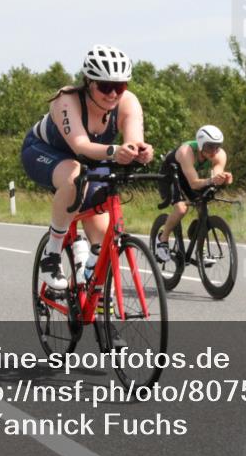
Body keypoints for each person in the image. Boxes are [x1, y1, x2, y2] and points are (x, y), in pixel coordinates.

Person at [21, 45, 153, 290]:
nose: (113, 94)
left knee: (102, 238)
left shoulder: (128, 102)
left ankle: (88, 266)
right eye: (105, 86)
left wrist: (141, 152)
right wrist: (115, 151)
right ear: (89, 82)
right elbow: (80, 146)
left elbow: (133, 141)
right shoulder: (67, 99)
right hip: (45, 151)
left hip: (93, 158)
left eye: (120, 86)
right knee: (74, 176)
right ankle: (52, 255)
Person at [154, 125, 233, 263]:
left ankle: (199, 247)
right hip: (170, 175)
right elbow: (194, 184)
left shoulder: (220, 154)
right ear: (201, 144)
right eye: (210, 147)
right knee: (181, 208)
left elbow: (216, 175)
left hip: (188, 176)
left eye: (217, 146)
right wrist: (210, 180)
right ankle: (162, 239)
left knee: (203, 206)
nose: (214, 151)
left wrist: (223, 180)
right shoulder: (186, 152)